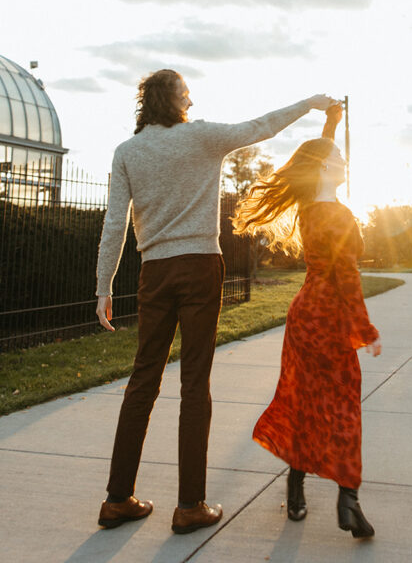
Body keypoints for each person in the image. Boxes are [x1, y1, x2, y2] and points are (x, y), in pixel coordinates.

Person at [95, 68, 339, 534]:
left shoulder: (127, 152)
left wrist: (103, 287)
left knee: (142, 380)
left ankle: (116, 499)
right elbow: (259, 127)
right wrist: (308, 104)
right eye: (187, 93)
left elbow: (114, 223)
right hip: (200, 265)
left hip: (155, 272)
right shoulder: (202, 138)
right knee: (194, 382)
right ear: (176, 100)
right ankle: (190, 506)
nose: (191, 99)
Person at [232, 104, 381, 539]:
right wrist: (365, 328)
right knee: (343, 408)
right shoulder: (338, 215)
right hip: (329, 316)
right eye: (338, 160)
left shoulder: (311, 208)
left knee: (303, 401)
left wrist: (331, 125)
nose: (344, 162)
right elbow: (347, 278)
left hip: (304, 316)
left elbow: (323, 153)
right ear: (322, 168)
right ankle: (348, 499)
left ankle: (296, 487)